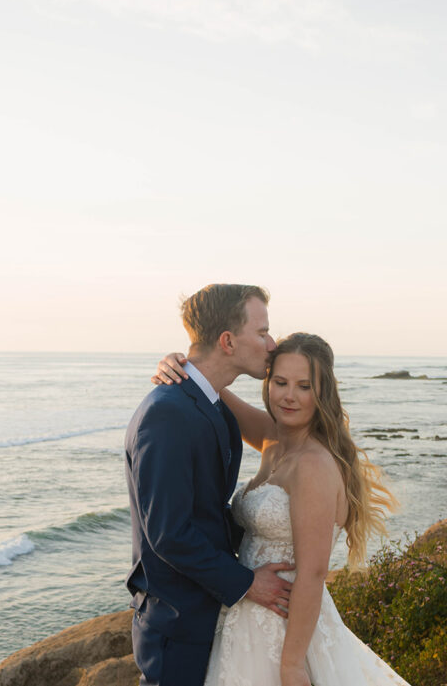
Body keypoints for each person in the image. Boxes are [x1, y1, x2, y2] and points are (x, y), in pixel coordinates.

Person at [154, 331, 412, 686]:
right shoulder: (275, 438)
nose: (289, 396)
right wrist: (181, 365)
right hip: (247, 615)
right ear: (268, 382)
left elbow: (313, 572)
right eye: (281, 382)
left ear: (323, 393)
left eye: (304, 386)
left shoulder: (313, 465)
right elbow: (214, 389)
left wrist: (291, 666)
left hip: (286, 629)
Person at [125, 284, 296, 686]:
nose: (271, 344)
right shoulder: (167, 413)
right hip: (177, 623)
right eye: (262, 332)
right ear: (227, 341)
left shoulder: (210, 405)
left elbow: (207, 512)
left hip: (210, 613)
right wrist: (248, 582)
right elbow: (169, 534)